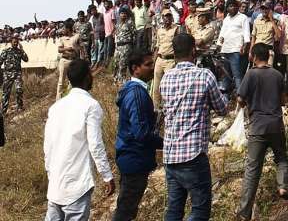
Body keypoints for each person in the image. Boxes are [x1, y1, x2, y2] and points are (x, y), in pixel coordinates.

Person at [160, 33, 229, 220]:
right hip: (193, 155)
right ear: (193, 50)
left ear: (174, 53)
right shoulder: (204, 76)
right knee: (200, 210)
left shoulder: (165, 79)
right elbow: (222, 109)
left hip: (171, 155)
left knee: (174, 210)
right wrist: (222, 82)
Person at [44, 59, 115, 221]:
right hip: (77, 184)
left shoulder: (56, 107)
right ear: (87, 77)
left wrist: (51, 174)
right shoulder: (91, 105)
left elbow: (47, 146)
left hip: (56, 184)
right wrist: (107, 175)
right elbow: (95, 144)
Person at [235, 43, 288, 220]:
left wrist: (248, 103)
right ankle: (283, 186)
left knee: (252, 170)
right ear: (268, 56)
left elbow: (240, 99)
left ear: (252, 56)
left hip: (257, 127)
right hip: (276, 125)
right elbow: (283, 101)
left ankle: (244, 212)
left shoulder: (250, 74)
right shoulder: (276, 74)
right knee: (281, 158)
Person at [113, 50, 163, 221]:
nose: (151, 68)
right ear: (136, 69)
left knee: (126, 208)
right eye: (148, 64)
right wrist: (165, 142)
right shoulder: (137, 94)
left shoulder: (134, 91)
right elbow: (141, 133)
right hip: (135, 159)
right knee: (125, 211)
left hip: (131, 158)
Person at [218, 0, 250, 94]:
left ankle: (240, 96)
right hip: (225, 49)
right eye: (230, 6)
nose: (233, 7)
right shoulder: (226, 19)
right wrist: (219, 46)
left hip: (236, 49)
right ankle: (226, 96)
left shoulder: (243, 17)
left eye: (234, 5)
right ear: (227, 8)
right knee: (226, 75)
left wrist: (245, 46)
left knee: (237, 74)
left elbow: (246, 33)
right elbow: (222, 34)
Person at [152, 9, 178, 110]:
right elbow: (157, 47)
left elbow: (178, 46)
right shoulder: (159, 30)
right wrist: (153, 61)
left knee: (170, 86)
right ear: (162, 18)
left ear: (172, 18)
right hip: (160, 59)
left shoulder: (176, 29)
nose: (167, 18)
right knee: (156, 87)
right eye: (165, 16)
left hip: (171, 61)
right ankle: (156, 109)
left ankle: (170, 108)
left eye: (169, 16)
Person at [0, 36, 28, 113]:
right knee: (6, 93)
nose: (15, 43)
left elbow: (26, 59)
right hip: (7, 74)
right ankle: (3, 111)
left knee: (19, 90)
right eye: (14, 42)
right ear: (11, 43)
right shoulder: (6, 51)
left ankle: (20, 107)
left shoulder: (19, 51)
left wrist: (22, 49)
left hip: (17, 74)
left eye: (16, 42)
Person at [250, 0, 280, 67]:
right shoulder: (256, 21)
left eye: (266, 8)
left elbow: (279, 35)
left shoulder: (275, 22)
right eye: (262, 8)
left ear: (270, 10)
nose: (264, 10)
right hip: (257, 50)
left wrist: (272, 20)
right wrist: (250, 52)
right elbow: (253, 37)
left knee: (267, 72)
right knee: (256, 71)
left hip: (268, 50)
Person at [56, 19, 80, 101]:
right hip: (64, 60)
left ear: (68, 29)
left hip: (73, 61)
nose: (63, 30)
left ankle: (69, 98)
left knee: (72, 81)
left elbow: (81, 48)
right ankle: (58, 100)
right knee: (61, 81)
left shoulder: (76, 36)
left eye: (64, 28)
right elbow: (59, 50)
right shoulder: (62, 38)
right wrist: (67, 48)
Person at [114, 8, 135, 84]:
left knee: (123, 64)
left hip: (126, 46)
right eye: (121, 13)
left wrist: (132, 47)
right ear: (119, 15)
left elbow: (134, 35)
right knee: (116, 63)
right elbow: (116, 35)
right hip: (118, 46)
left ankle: (122, 81)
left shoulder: (130, 23)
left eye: (124, 13)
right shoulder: (117, 24)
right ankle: (116, 80)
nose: (123, 15)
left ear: (126, 14)